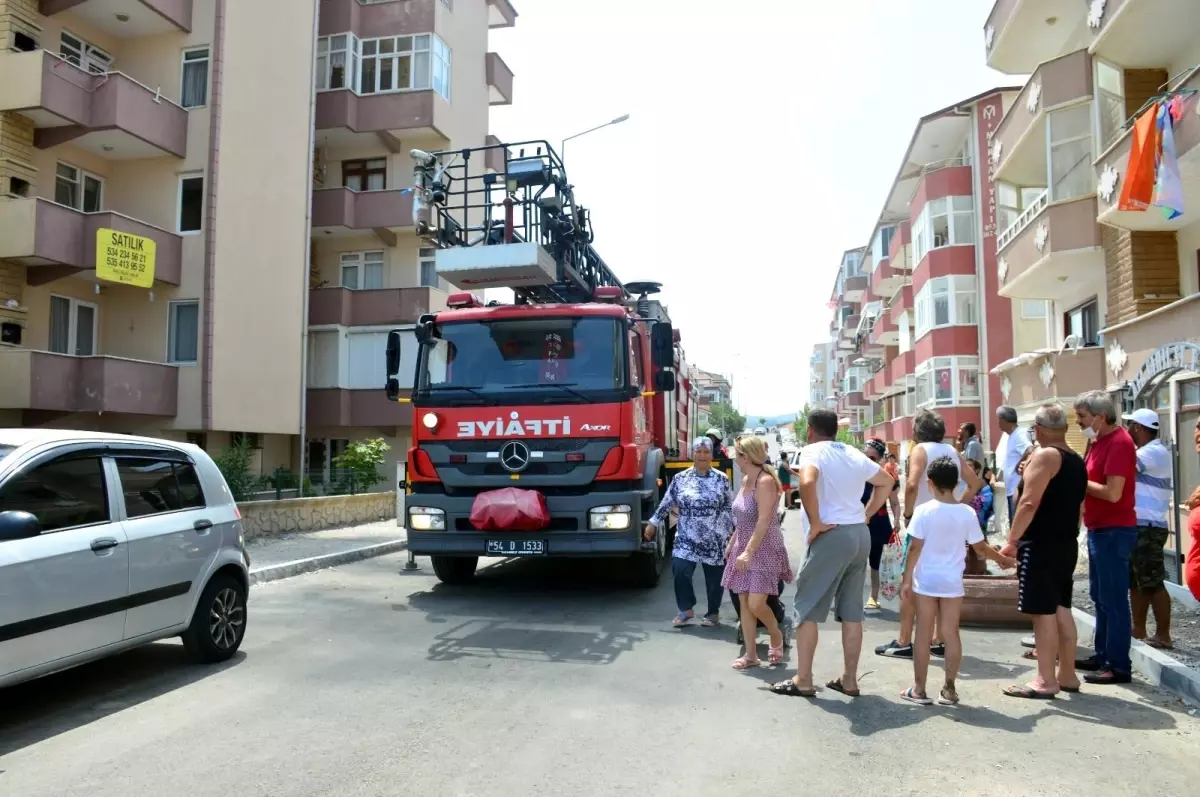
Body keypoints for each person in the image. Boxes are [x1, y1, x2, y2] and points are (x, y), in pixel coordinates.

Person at [770, 409, 894, 698]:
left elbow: (808, 481)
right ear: (835, 430)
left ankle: (803, 679)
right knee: (852, 611)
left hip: (831, 534)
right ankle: (849, 680)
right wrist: (865, 515)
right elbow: (885, 482)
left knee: (808, 607)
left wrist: (815, 522)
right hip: (857, 533)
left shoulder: (811, 451)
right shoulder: (851, 452)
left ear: (810, 430)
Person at [900, 456, 1015, 705]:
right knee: (951, 633)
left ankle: (918, 690)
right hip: (952, 582)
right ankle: (949, 689)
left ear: (930, 483)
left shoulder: (923, 511)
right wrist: (1002, 560)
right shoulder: (966, 512)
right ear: (957, 483)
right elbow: (981, 548)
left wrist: (906, 580)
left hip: (926, 581)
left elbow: (914, 549)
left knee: (923, 633)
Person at [875, 409, 983, 660]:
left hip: (924, 523)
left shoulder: (920, 451)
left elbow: (912, 484)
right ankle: (938, 639)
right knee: (941, 578)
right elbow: (975, 482)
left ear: (917, 431)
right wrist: (958, 504)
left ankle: (904, 640)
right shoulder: (952, 452)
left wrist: (909, 514)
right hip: (948, 523)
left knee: (911, 580)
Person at [996, 403, 1088, 698]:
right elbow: (1079, 507)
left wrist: (1012, 541)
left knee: (1042, 613)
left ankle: (1046, 680)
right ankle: (1067, 674)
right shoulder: (1075, 459)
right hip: (1065, 543)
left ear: (1037, 429)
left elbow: (1027, 503)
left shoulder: (1046, 456)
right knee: (1062, 608)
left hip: (1041, 543)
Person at [1073, 390, 1138, 685]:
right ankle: (1103, 655)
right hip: (1100, 529)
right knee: (1100, 598)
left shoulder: (1120, 443)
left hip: (1114, 531)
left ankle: (1118, 664)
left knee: (1113, 600)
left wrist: (1079, 480)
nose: (1078, 422)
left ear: (1100, 417)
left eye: (1082, 417)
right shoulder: (1097, 441)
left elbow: (1113, 493)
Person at [645, 437, 734, 627]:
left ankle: (712, 613)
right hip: (687, 536)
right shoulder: (680, 478)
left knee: (714, 577)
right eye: (698, 451)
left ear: (712, 455)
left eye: (706, 451)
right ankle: (686, 609)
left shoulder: (721, 479)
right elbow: (667, 502)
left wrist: (730, 532)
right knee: (680, 570)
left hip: (714, 536)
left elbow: (729, 507)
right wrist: (653, 522)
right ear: (693, 454)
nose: (702, 455)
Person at [723, 435, 792, 669]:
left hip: (764, 548)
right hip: (743, 546)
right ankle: (751, 655)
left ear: (746, 456)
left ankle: (775, 633)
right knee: (743, 601)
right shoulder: (744, 481)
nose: (734, 458)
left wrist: (748, 552)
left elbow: (763, 521)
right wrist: (733, 543)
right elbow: (743, 519)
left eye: (736, 454)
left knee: (756, 602)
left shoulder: (765, 482)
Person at [1123, 408, 1174, 649]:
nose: (1127, 430)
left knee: (1152, 581)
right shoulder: (1148, 450)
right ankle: (1138, 628)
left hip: (1149, 526)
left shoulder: (1153, 452)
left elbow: (1125, 462)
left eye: (1130, 426)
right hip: (1140, 524)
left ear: (1139, 428)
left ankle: (1163, 634)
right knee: (1136, 580)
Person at [863, 439, 901, 610]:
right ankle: (849, 596)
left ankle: (873, 596)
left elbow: (894, 502)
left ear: (879, 458)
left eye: (872, 456)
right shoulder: (856, 473)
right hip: (858, 522)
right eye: (866, 455)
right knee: (853, 560)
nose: (868, 459)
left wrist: (897, 519)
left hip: (879, 522)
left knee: (876, 561)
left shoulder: (886, 477)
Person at [997, 405, 1032, 524]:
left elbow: (1029, 449)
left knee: (1017, 526)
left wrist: (1019, 465)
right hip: (1012, 490)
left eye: (999, 419)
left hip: (1017, 490)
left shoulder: (1019, 434)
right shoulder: (1012, 436)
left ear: (1003, 419)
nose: (998, 423)